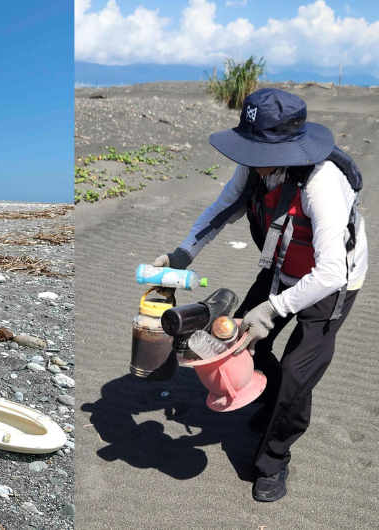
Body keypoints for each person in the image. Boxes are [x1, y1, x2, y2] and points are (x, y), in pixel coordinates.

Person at [153, 88, 367, 502]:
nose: (245, 156)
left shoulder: (322, 183)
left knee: (296, 375)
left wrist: (272, 309)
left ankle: (274, 459)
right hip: (281, 267)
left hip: (332, 284)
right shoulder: (256, 167)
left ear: (288, 146)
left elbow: (330, 272)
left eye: (255, 147)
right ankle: (269, 403)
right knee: (239, 341)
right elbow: (222, 207)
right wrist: (181, 255)